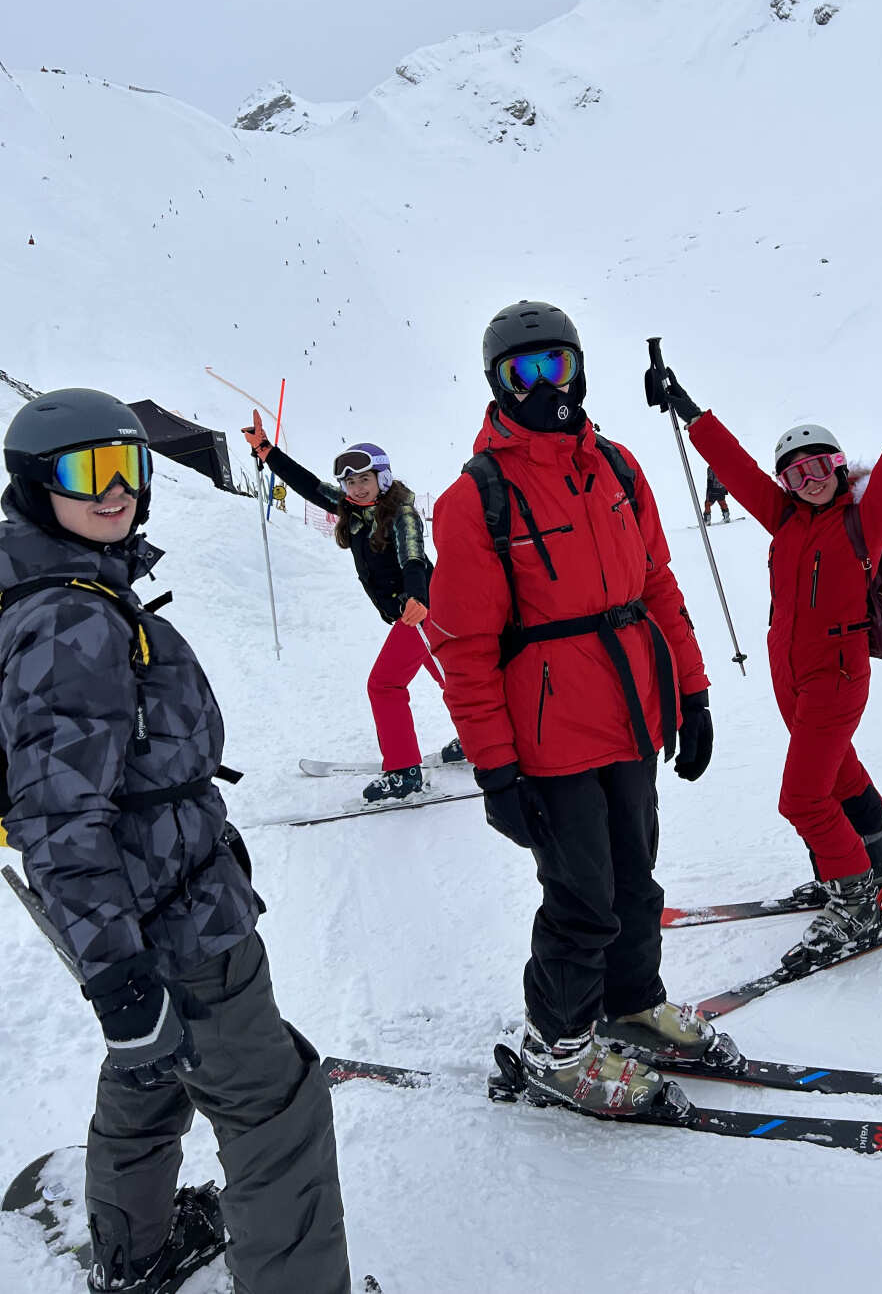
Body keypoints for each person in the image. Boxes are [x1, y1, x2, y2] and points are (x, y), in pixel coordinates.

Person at [0, 389, 350, 1294]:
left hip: (136, 905)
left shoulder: (62, 594)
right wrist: (119, 973)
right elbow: (58, 813)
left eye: (129, 466)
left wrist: (122, 981)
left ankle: (135, 1252)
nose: (115, 490)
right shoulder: (70, 619)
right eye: (88, 471)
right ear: (36, 485)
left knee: (153, 1068)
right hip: (172, 913)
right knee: (275, 1112)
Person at [427, 301, 717, 1117]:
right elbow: (464, 649)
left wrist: (691, 691)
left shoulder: (617, 467)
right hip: (547, 740)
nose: (543, 386)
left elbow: (656, 584)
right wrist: (495, 769)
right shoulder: (475, 498)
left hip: (632, 715)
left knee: (635, 880)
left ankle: (630, 1004)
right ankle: (556, 1045)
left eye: (556, 365)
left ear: (579, 369)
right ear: (496, 384)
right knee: (581, 898)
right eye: (522, 373)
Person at [656, 364, 882, 963]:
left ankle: (855, 900)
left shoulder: (862, 522)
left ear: (838, 467)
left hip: (838, 675)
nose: (809, 481)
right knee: (838, 775)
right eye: (794, 474)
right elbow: (736, 470)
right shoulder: (783, 518)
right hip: (791, 676)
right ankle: (881, 864)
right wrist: (691, 414)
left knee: (802, 798)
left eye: (819, 467)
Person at [241, 417, 461, 801]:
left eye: (365, 479)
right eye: (350, 482)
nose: (357, 487)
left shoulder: (401, 513)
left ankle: (404, 772)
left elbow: (412, 555)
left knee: (385, 684)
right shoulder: (353, 510)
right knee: (452, 678)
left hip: (423, 611)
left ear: (382, 478)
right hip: (415, 611)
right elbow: (309, 486)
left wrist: (416, 596)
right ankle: (476, 738)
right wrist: (268, 453)